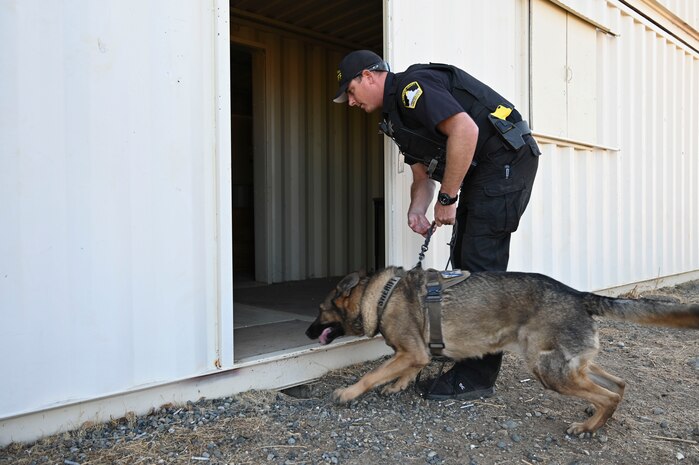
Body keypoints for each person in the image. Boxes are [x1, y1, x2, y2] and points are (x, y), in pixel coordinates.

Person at [332, 50, 541, 400]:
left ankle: (477, 377)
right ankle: (470, 361)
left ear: (369, 76)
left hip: (505, 162)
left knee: (481, 268)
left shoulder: (413, 89)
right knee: (466, 263)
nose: (351, 102)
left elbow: (465, 130)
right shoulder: (395, 118)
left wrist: (447, 198)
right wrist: (419, 208)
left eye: (351, 92)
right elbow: (421, 175)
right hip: (484, 170)